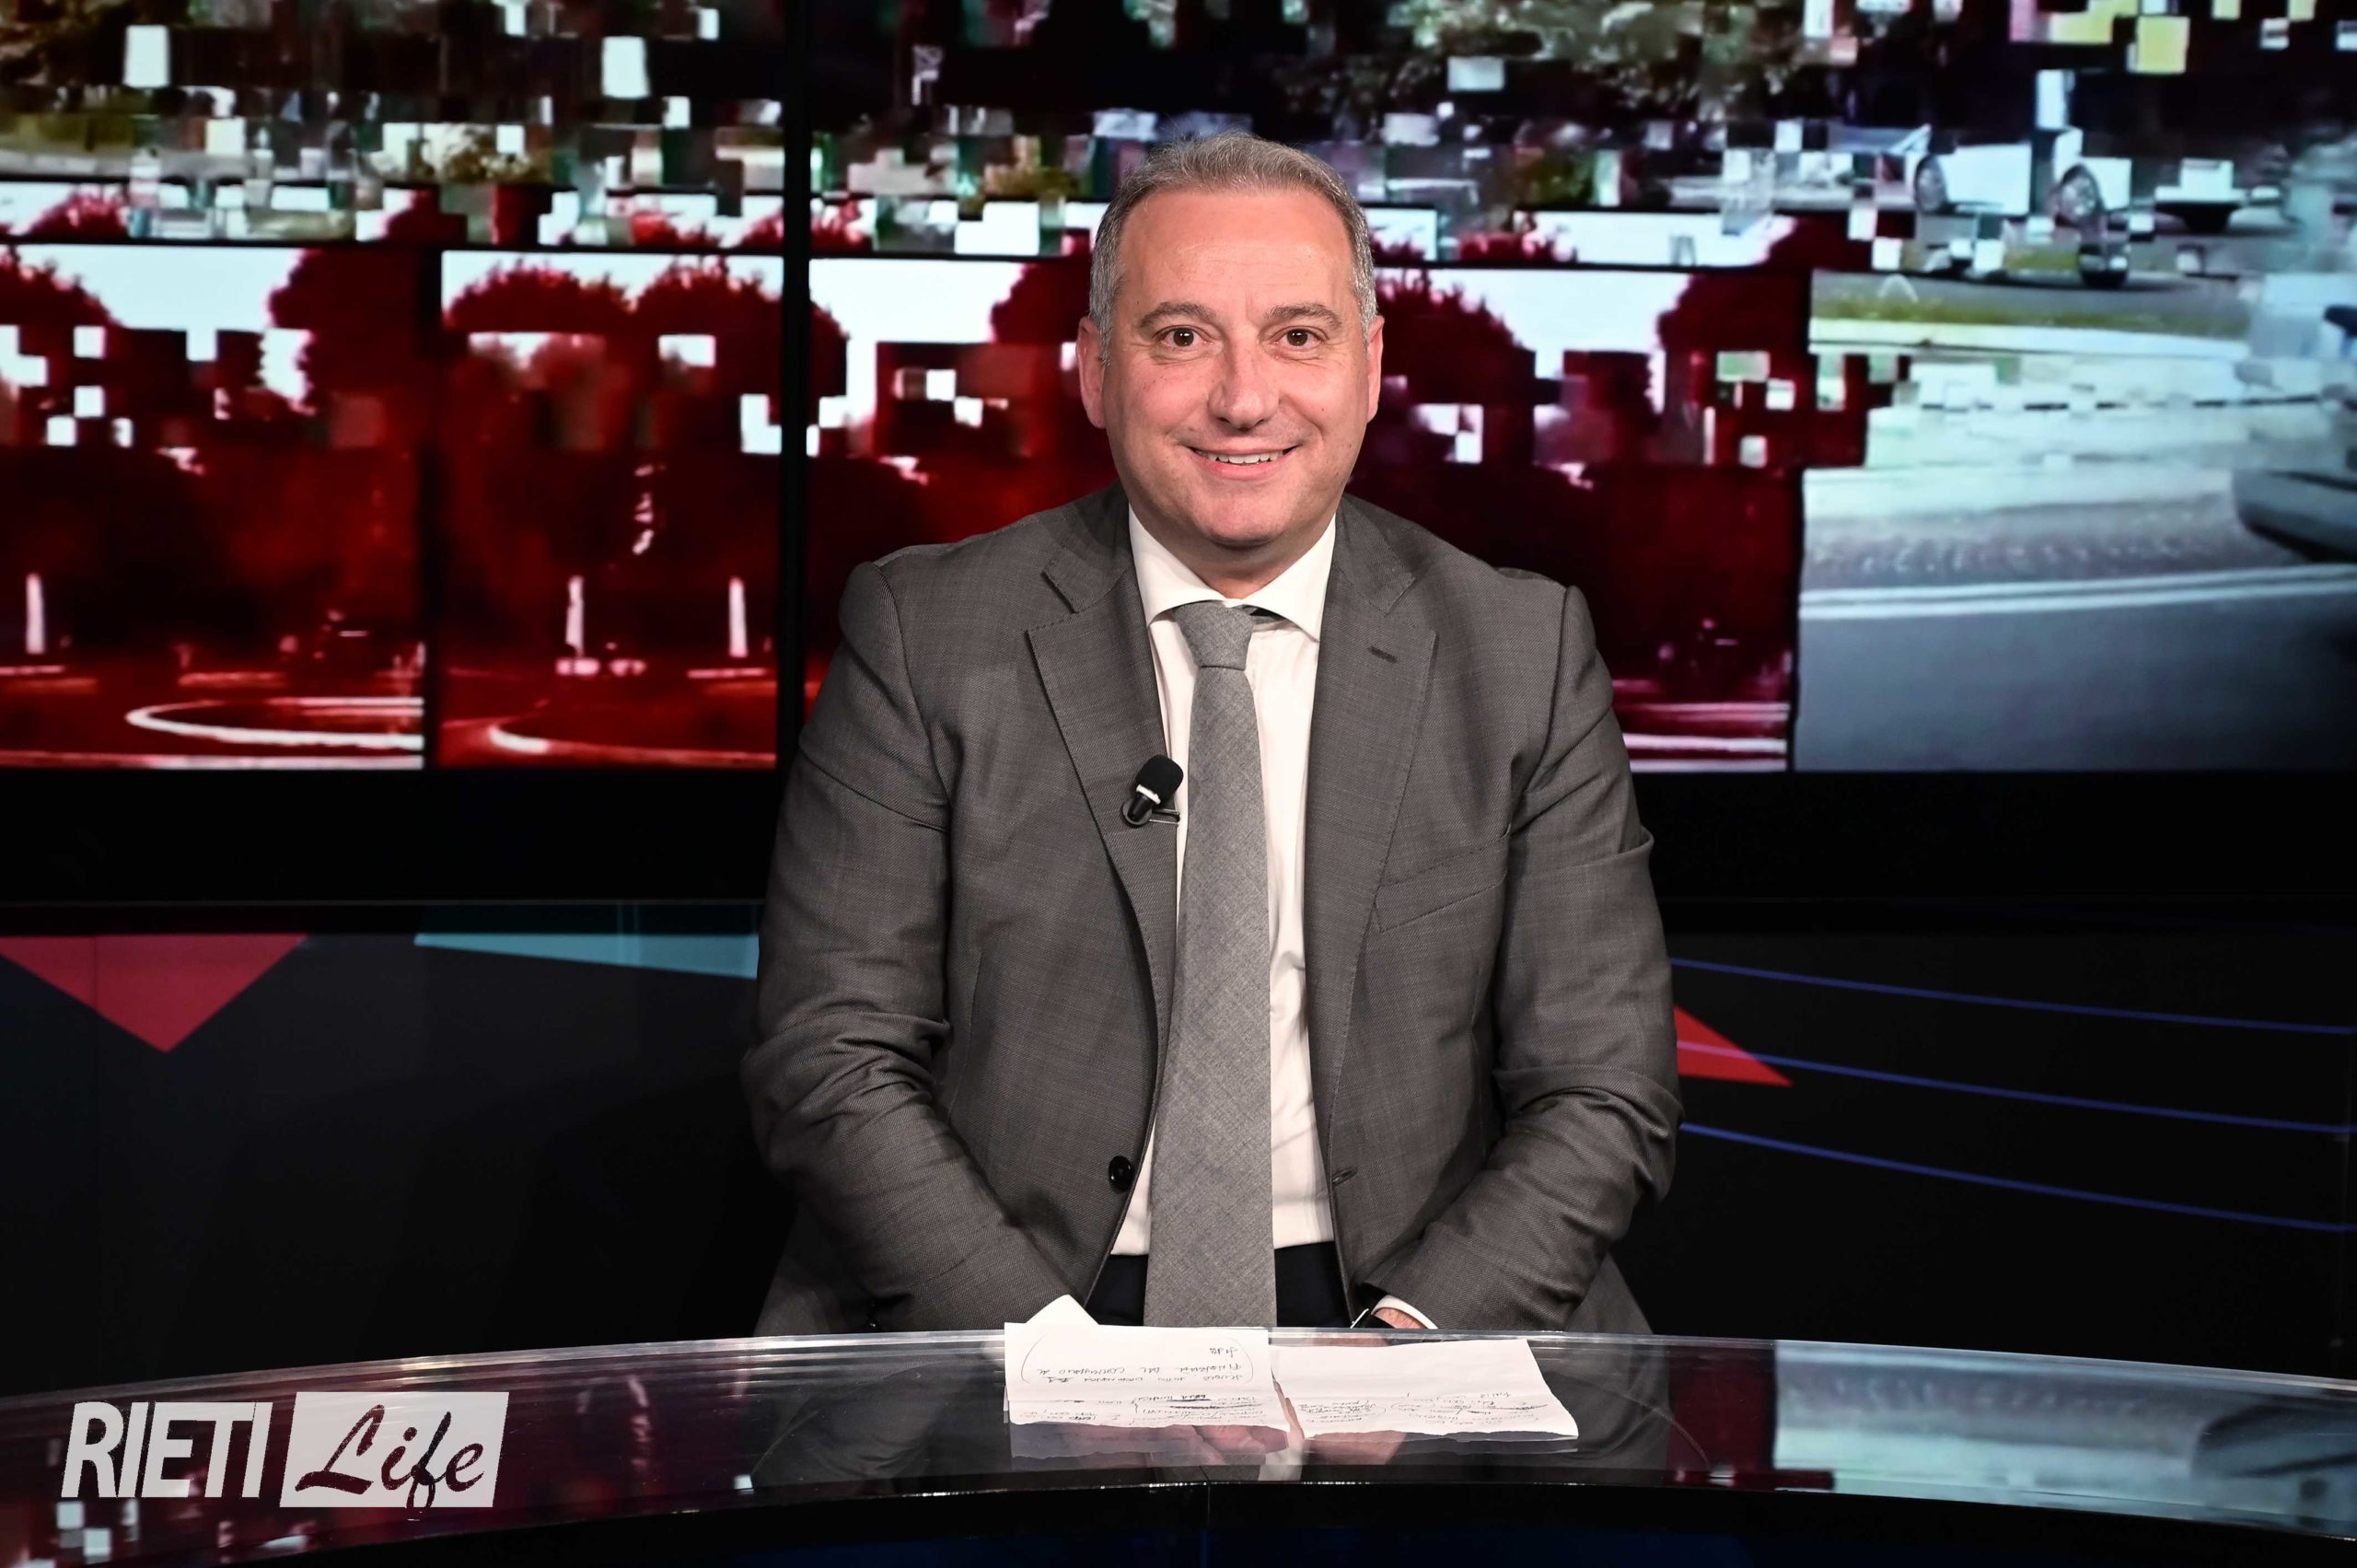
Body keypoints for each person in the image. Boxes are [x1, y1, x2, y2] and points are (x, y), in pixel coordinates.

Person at [745, 130, 1679, 1335]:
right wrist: (1052, 1355)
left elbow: (1603, 1089)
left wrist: (1409, 1351)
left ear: (1371, 365)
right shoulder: (927, 632)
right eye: (1182, 337)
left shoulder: (1520, 651)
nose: (1244, 399)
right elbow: (829, 1056)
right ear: (1095, 370)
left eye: (1298, 336)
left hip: (1409, 1302)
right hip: (1024, 1300)